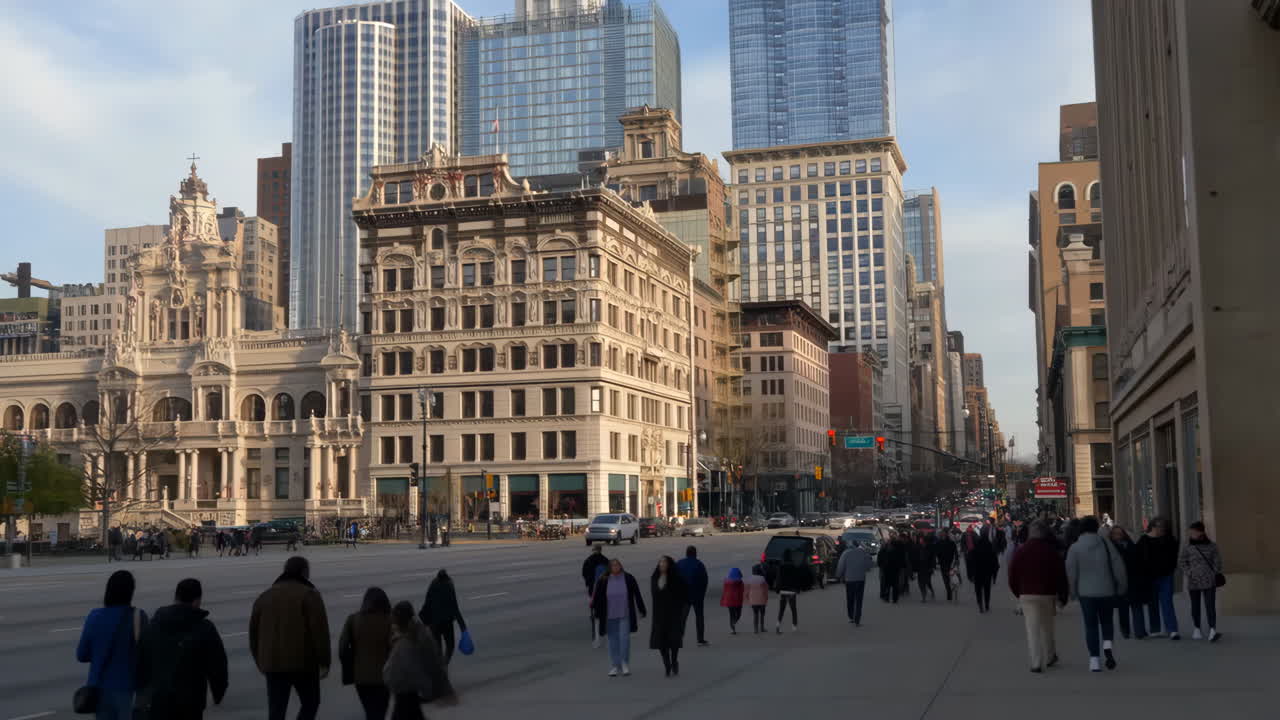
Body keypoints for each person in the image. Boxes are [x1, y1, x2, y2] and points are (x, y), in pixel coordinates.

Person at [250, 556, 331, 720]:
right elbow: (320, 633)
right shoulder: (309, 595)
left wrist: (260, 661)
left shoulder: (265, 596)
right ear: (304, 572)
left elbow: (254, 633)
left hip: (272, 663)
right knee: (310, 703)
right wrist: (324, 661)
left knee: (276, 710)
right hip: (303, 663)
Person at [135, 578, 229, 720]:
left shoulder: (154, 624)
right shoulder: (204, 627)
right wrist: (218, 691)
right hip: (190, 702)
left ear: (176, 597)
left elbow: (141, 659)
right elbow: (218, 664)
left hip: (159, 699)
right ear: (197, 600)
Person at [76, 570, 147, 720]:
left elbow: (82, 655)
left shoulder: (94, 616)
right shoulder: (138, 616)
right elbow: (147, 654)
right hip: (128, 690)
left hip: (99, 689)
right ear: (131, 592)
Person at [1066, 516, 1127, 672]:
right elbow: (1118, 566)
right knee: (1107, 623)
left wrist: (1072, 592)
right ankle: (1107, 646)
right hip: (1107, 591)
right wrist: (1122, 586)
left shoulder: (1075, 548)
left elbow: (1071, 573)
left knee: (1091, 625)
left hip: (1086, 593)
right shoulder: (1106, 545)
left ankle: (1094, 659)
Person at [1008, 522, 1068, 673]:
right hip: (1047, 593)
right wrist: (1062, 594)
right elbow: (1060, 574)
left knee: (1032, 629)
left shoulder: (1021, 551)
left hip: (1027, 594)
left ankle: (1036, 662)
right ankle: (1050, 656)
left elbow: (1012, 574)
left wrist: (1019, 593)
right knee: (1047, 627)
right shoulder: (1051, 551)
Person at [384, 601, 456, 720]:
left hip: (406, 692)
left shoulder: (407, 641)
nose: (392, 624)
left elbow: (417, 667)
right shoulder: (415, 633)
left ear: (400, 620)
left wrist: (429, 689)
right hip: (407, 693)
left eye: (394, 620)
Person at [340, 587, 394, 720]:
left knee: (370, 711)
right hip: (385, 676)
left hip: (361, 677)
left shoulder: (353, 619)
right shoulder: (390, 620)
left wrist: (350, 666)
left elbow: (342, 649)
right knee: (380, 712)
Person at [590, 558, 646, 677]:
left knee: (624, 639)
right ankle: (615, 665)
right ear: (609, 568)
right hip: (609, 615)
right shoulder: (604, 580)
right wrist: (596, 613)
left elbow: (637, 594)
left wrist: (641, 609)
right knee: (612, 641)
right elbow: (597, 598)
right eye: (613, 565)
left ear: (621, 566)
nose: (615, 567)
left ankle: (625, 663)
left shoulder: (628, 578)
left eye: (617, 565)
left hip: (624, 614)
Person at [1179, 521, 1223, 642]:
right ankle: (1197, 628)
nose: (1191, 534)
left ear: (1201, 532)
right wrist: (1189, 572)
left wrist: (1213, 572)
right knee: (1195, 606)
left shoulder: (1212, 546)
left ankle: (1212, 629)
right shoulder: (1187, 546)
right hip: (1193, 581)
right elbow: (1182, 561)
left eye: (1193, 532)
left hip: (1209, 580)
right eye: (1190, 532)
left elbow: (1217, 561)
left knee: (1210, 605)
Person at [1137, 517, 1181, 639]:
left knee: (1167, 602)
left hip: (1166, 576)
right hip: (1149, 577)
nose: (1163, 529)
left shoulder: (1169, 539)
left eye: (1164, 527)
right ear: (1153, 527)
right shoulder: (1143, 540)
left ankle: (1172, 630)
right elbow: (1139, 559)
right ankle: (1155, 629)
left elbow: (1174, 556)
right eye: (1160, 527)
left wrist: (1171, 569)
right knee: (1153, 603)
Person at [1109, 525, 1150, 639]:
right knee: (1123, 608)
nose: (1118, 536)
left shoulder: (1132, 546)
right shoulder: (1110, 549)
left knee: (1136, 605)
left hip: (1134, 579)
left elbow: (1139, 561)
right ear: (1111, 536)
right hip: (1119, 580)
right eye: (1115, 534)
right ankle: (1125, 630)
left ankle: (1140, 631)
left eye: (1120, 533)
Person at [418, 570, 467, 665]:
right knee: (450, 646)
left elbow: (427, 603)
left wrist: (424, 622)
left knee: (438, 649)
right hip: (446, 622)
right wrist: (463, 627)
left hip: (434, 622)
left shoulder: (433, 583)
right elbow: (455, 608)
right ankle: (443, 666)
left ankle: (441, 667)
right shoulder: (449, 585)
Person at [650, 555, 688, 676]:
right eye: (660, 562)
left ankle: (674, 660)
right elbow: (654, 595)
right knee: (661, 642)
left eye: (664, 562)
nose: (662, 564)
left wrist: (678, 610)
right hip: (659, 615)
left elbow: (682, 595)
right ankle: (666, 663)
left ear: (669, 565)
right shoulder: (655, 577)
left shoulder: (676, 578)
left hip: (673, 615)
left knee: (674, 641)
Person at [675, 545, 710, 646]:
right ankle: (700, 639)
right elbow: (705, 580)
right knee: (699, 617)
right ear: (695, 554)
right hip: (697, 595)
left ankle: (679, 638)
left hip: (684, 596)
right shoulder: (699, 564)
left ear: (686, 553)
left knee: (682, 618)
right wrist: (702, 593)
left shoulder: (679, 563)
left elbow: (674, 579)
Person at [836, 540, 874, 626]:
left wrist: (838, 575)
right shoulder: (862, 552)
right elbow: (869, 565)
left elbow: (841, 565)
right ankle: (857, 618)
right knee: (859, 600)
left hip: (849, 580)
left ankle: (851, 616)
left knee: (850, 599)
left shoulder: (845, 553)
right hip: (860, 579)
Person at [582, 545, 610, 648]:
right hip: (605, 592)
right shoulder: (606, 560)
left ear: (594, 550)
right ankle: (606, 636)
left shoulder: (588, 561)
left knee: (595, 615)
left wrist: (589, 584)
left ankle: (597, 638)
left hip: (593, 591)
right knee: (605, 614)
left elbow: (584, 574)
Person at [775, 550, 806, 632]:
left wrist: (777, 589)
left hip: (783, 590)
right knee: (793, 609)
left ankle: (778, 624)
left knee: (782, 609)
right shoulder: (794, 567)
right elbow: (797, 579)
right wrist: (798, 589)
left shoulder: (781, 567)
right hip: (792, 591)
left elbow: (778, 579)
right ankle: (794, 627)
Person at [967, 533, 999, 613]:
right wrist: (994, 576)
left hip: (977, 573)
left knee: (978, 590)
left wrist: (970, 575)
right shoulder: (991, 551)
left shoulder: (974, 551)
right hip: (987, 573)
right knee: (987, 590)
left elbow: (969, 563)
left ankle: (980, 603)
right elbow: (996, 565)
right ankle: (987, 604)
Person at [744, 564, 769, 634]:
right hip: (762, 599)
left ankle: (755, 629)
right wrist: (766, 598)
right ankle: (762, 627)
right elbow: (765, 590)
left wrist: (747, 598)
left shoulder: (749, 579)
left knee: (755, 614)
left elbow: (746, 590)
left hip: (753, 600)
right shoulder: (762, 579)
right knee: (762, 614)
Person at [935, 529, 959, 602]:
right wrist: (936, 561)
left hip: (950, 563)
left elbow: (955, 552)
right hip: (942, 563)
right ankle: (949, 590)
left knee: (948, 578)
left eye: (943, 533)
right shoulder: (938, 542)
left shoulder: (951, 543)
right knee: (945, 579)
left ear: (946, 534)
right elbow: (936, 553)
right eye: (941, 533)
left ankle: (949, 591)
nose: (942, 534)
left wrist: (956, 560)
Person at [720, 568, 745, 634]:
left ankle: (733, 629)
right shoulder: (740, 582)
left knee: (731, 615)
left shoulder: (726, 581)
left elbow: (724, 591)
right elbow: (742, 591)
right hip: (737, 601)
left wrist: (723, 599)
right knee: (738, 614)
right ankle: (734, 623)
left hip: (729, 601)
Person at [915, 534, 937, 601]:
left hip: (927, 568)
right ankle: (923, 595)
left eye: (922, 540)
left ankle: (930, 591)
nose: (920, 541)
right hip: (920, 567)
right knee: (920, 582)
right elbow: (915, 558)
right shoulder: (918, 547)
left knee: (927, 582)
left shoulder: (930, 548)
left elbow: (933, 558)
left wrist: (932, 567)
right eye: (920, 540)